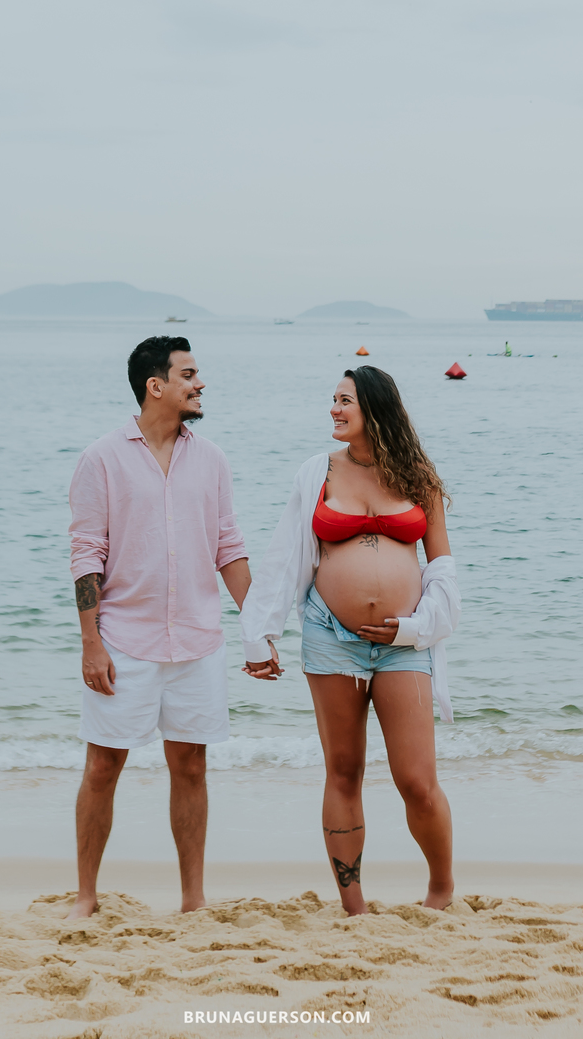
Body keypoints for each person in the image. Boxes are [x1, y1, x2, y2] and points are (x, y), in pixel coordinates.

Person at [240, 365, 459, 914]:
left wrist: (413, 627)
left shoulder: (418, 478)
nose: (334, 410)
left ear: (376, 409)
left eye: (345, 402)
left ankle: (441, 889)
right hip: (329, 635)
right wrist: (259, 634)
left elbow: (443, 573)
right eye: (332, 400)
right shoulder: (318, 472)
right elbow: (286, 556)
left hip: (405, 642)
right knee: (343, 769)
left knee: (416, 780)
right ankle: (353, 906)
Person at [66, 336, 251, 916]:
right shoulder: (101, 458)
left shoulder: (212, 458)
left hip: (197, 641)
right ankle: (86, 896)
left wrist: (259, 625)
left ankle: (193, 899)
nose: (200, 385)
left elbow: (228, 547)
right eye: (189, 375)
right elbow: (86, 555)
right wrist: (91, 644)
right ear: (156, 385)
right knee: (103, 765)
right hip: (124, 641)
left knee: (191, 765)